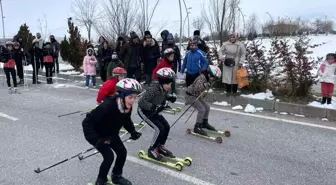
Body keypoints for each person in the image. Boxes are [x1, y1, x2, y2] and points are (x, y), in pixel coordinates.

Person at [82, 78, 143, 185]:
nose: (133, 100)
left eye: (135, 97)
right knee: (109, 156)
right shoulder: (107, 106)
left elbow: (126, 119)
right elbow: (87, 122)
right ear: (122, 96)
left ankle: (116, 176)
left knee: (122, 152)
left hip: (111, 134)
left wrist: (132, 131)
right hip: (98, 134)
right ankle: (101, 180)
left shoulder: (127, 106)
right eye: (130, 97)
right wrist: (96, 140)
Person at [137, 67, 177, 161]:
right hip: (144, 111)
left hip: (153, 110)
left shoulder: (163, 87)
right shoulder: (153, 89)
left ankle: (160, 146)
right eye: (168, 84)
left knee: (166, 126)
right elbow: (141, 102)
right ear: (162, 82)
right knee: (159, 128)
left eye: (170, 83)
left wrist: (169, 97)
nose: (169, 86)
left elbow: (162, 95)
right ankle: (151, 150)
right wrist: (154, 107)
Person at [185, 65, 222, 136]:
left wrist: (207, 86)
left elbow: (201, 90)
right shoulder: (202, 78)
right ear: (209, 74)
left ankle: (204, 123)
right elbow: (196, 88)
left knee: (207, 108)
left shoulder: (207, 78)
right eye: (213, 78)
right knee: (201, 109)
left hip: (196, 95)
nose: (213, 79)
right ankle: (197, 127)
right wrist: (205, 85)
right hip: (190, 96)